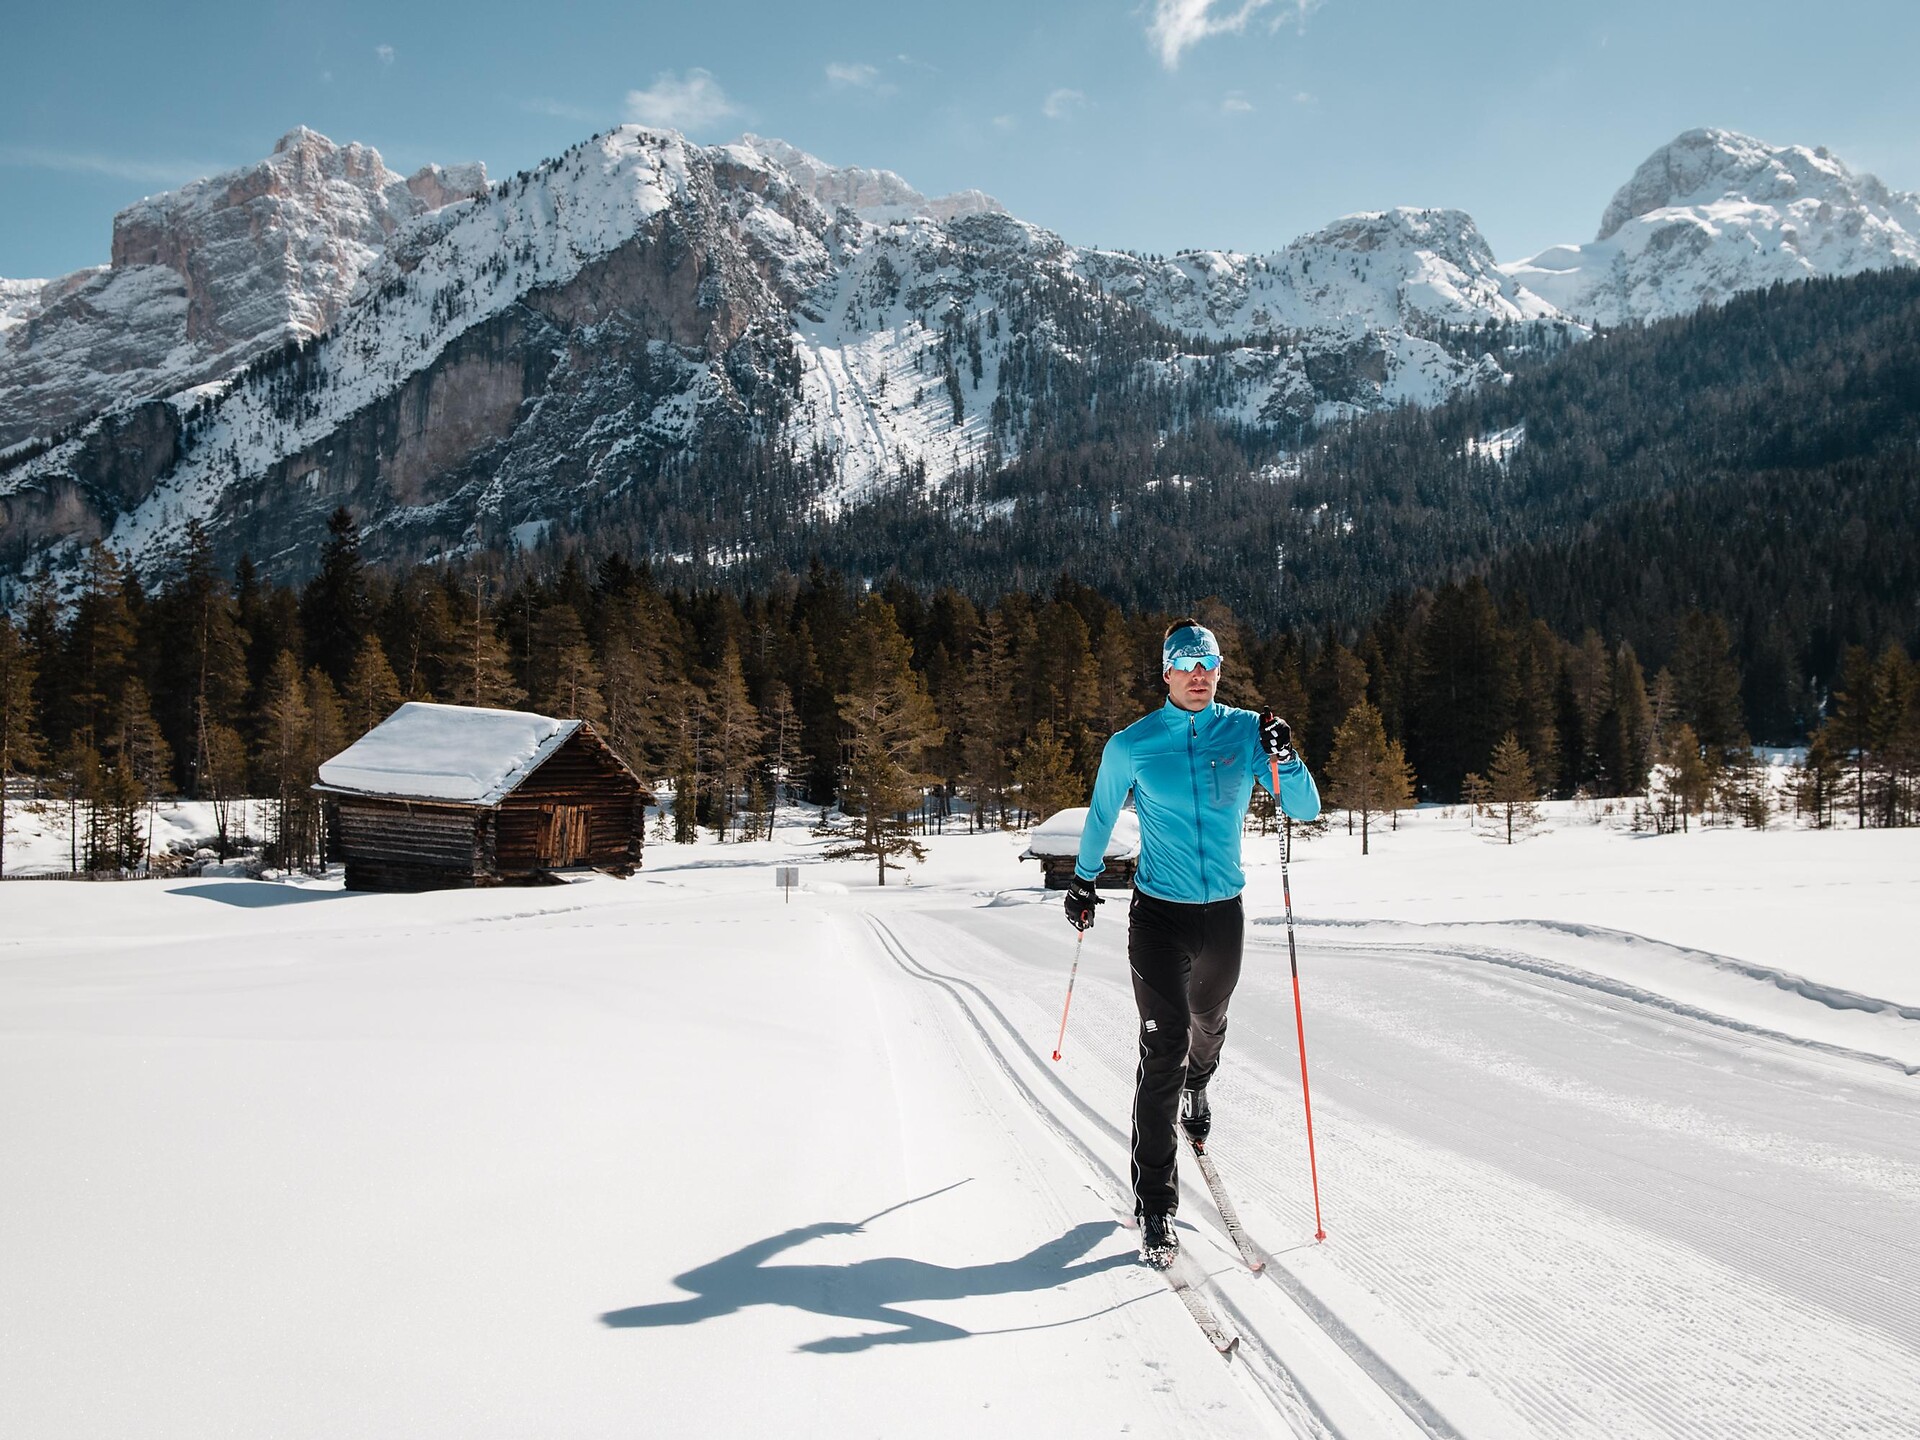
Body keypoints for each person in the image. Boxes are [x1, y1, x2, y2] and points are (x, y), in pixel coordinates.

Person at [1064, 619, 1320, 1268]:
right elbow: (1100, 814)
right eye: (1186, 663)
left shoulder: (1246, 730)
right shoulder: (1134, 744)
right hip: (1158, 918)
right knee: (1163, 1048)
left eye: (1209, 662)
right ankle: (1155, 1205)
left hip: (1222, 918)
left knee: (1208, 1025)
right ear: (1166, 673)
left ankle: (1199, 1085)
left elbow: (1306, 807)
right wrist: (1083, 880)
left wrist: (1286, 757)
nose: (1200, 673)